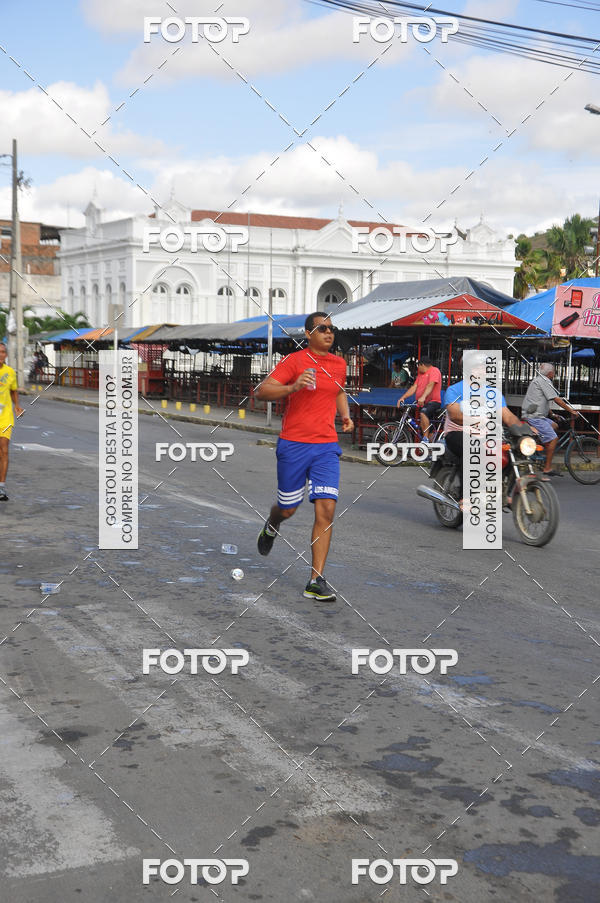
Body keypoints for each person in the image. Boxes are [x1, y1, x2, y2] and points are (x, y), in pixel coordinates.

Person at [254, 312, 353, 602]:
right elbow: (261, 391)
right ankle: (273, 524)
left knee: (327, 509)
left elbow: (337, 392)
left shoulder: (339, 364)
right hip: (294, 445)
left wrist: (345, 415)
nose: (329, 333)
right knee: (288, 509)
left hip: (326, 447)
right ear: (308, 333)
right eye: (322, 328)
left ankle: (315, 580)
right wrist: (292, 387)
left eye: (332, 329)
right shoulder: (294, 362)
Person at [522, 362, 580, 478]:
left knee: (554, 425)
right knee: (554, 439)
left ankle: (539, 445)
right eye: (554, 372)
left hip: (537, 416)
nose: (554, 374)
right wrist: (571, 411)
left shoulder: (539, 379)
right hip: (535, 418)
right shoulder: (544, 381)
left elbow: (540, 400)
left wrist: (552, 414)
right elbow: (556, 399)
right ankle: (547, 468)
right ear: (550, 373)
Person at [396, 356, 442, 440]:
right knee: (426, 426)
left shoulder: (434, 370)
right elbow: (414, 387)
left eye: (418, 366)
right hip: (422, 403)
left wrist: (423, 397)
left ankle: (425, 439)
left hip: (433, 402)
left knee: (423, 413)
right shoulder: (420, 375)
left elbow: (431, 385)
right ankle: (430, 447)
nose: (417, 368)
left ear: (422, 365)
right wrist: (403, 397)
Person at [0, 342, 24, 501]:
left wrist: (17, 406)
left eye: (3, 352)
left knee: (4, 449)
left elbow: (13, 390)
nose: (0, 354)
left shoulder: (10, 372)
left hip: (5, 417)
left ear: (6, 355)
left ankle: (1, 487)